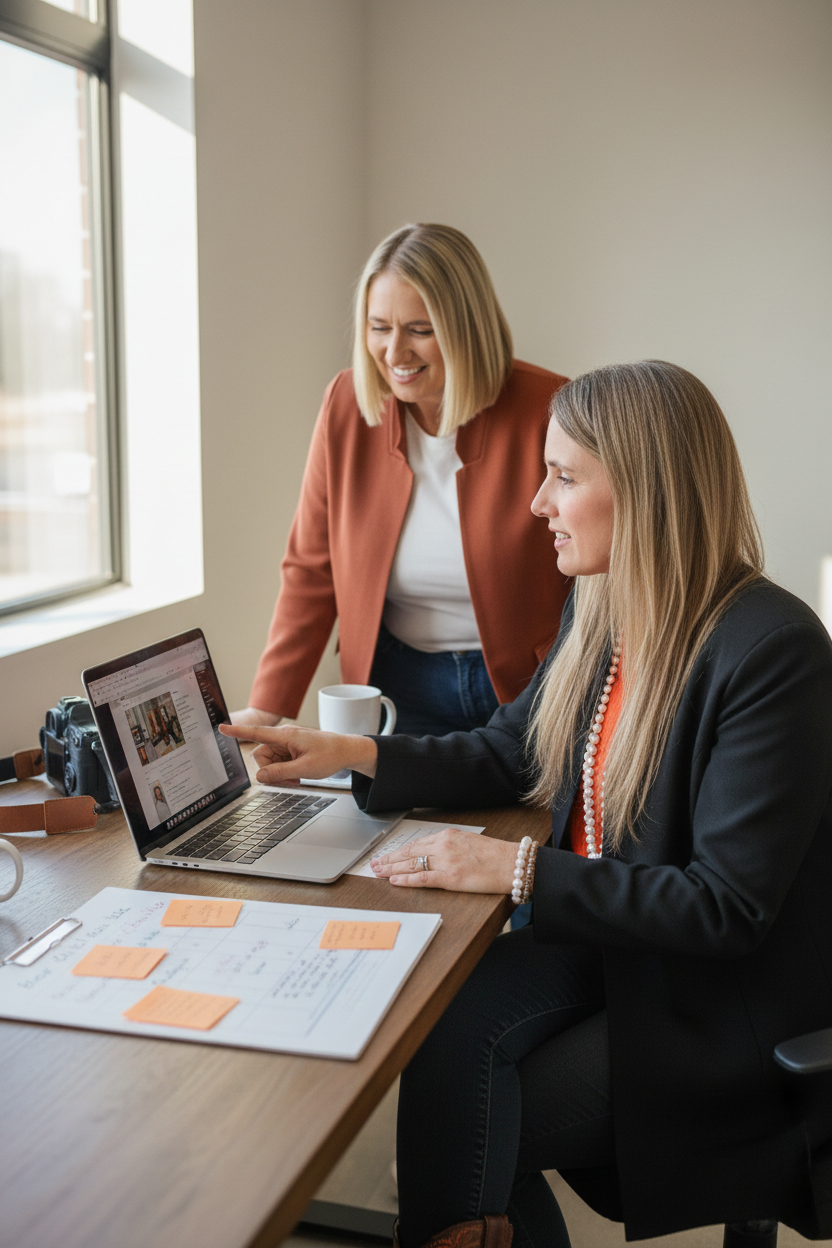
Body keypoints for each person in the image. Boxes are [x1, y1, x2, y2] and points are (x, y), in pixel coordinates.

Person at [221, 360, 832, 1248]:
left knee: (466, 1130)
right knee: (435, 1026)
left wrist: (515, 869)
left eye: (564, 477)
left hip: (715, 996)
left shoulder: (773, 651)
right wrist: (346, 751)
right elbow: (513, 750)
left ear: (648, 490)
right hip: (620, 946)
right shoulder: (607, 608)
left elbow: (725, 909)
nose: (537, 503)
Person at [231, 223, 570, 738]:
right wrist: (267, 706)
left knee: (518, 822)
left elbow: (601, 573)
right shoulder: (346, 405)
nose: (394, 353)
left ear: (466, 327)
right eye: (378, 327)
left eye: (419, 329)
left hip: (528, 688)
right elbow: (310, 568)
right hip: (394, 687)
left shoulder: (550, 409)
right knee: (389, 823)